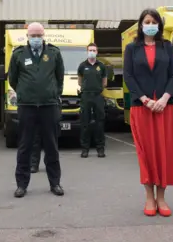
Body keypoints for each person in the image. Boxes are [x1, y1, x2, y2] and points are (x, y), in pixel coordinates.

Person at [123, 9, 173, 218]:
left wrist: (164, 99)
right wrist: (145, 99)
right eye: (147, 21)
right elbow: (128, 76)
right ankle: (149, 197)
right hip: (141, 107)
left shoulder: (167, 46)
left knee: (164, 153)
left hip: (165, 107)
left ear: (159, 25)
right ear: (141, 24)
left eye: (154, 21)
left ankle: (161, 198)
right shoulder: (131, 48)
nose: (150, 24)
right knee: (146, 154)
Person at [8, 22, 65, 198]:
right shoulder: (18, 54)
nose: (36, 38)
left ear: (43, 35)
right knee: (25, 146)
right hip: (27, 107)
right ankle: (21, 185)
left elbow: (59, 77)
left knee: (51, 145)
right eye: (33, 36)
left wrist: (53, 93)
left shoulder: (54, 53)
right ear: (27, 36)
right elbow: (13, 79)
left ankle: (55, 183)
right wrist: (26, 93)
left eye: (39, 35)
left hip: (49, 106)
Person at [77, 43, 107, 158]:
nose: (92, 52)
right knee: (85, 123)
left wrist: (97, 90)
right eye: (90, 50)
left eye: (94, 50)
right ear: (87, 51)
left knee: (100, 122)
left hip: (98, 96)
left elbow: (104, 82)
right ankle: (85, 149)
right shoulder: (82, 66)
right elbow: (80, 81)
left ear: (97, 52)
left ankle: (100, 149)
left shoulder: (102, 66)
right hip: (85, 96)